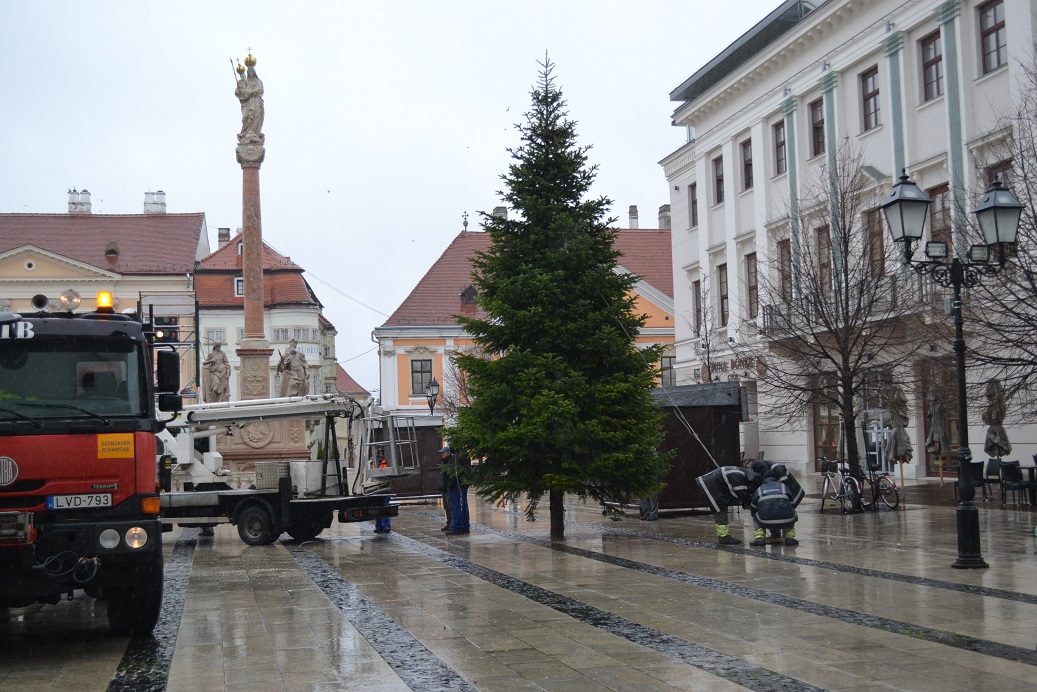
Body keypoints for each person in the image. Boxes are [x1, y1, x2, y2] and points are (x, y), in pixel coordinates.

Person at [695, 465, 764, 545]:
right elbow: (742, 494)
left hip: (713, 483)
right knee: (720, 508)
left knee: (721, 506)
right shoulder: (738, 477)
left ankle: (724, 536)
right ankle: (724, 537)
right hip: (710, 484)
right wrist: (751, 504)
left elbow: (739, 493)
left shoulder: (742, 474)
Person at [749, 465, 802, 546]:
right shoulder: (783, 486)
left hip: (765, 521)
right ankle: (789, 537)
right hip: (786, 520)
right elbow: (792, 503)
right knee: (791, 511)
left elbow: (753, 507)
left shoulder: (760, 489)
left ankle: (759, 538)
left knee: (755, 515)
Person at [441, 444, 471, 535]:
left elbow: (454, 473)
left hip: (456, 486)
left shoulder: (457, 457)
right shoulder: (464, 455)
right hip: (463, 484)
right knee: (463, 506)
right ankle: (465, 526)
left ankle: (457, 527)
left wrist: (450, 484)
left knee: (456, 507)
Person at [234, 56, 265, 144]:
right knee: (246, 117)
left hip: (256, 101)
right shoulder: (244, 82)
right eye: (249, 72)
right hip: (248, 102)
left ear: (254, 72)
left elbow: (261, 89)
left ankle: (254, 133)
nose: (250, 73)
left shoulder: (259, 81)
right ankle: (245, 133)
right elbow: (239, 91)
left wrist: (254, 91)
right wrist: (242, 92)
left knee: (256, 116)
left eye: (251, 72)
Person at [438, 445, 453, 531]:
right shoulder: (444, 462)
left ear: (448, 453)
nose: (442, 455)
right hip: (444, 488)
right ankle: (449, 523)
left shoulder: (450, 462)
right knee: (446, 507)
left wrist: (448, 485)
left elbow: (448, 476)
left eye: (443, 453)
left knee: (450, 507)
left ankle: (452, 523)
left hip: (448, 487)